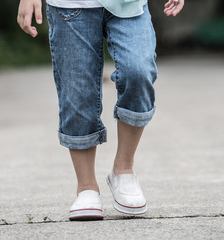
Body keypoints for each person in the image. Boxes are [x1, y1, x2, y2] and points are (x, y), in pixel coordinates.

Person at [17, 0, 184, 220]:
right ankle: (86, 187)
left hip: (129, 4)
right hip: (71, 5)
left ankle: (123, 170)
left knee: (139, 72)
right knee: (77, 91)